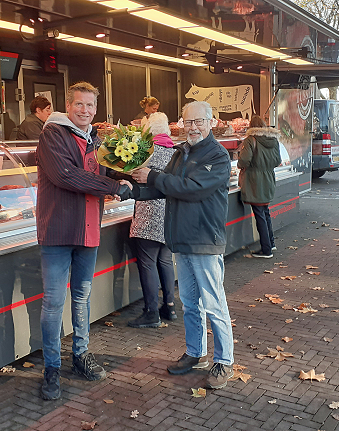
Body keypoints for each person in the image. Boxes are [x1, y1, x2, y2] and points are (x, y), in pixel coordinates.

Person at [36, 82, 132, 400]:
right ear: (68, 105)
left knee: (82, 298)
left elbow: (109, 168)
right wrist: (111, 185)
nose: (85, 111)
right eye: (80, 104)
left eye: (90, 106)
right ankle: (51, 368)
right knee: (53, 304)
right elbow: (66, 175)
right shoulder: (53, 134)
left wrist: (130, 170)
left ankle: (80, 354)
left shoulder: (96, 139)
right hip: (58, 231)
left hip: (90, 230)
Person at [130, 101, 234, 390]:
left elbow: (192, 189)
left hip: (204, 241)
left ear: (211, 122)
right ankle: (196, 353)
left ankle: (224, 362)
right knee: (190, 303)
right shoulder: (181, 152)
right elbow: (167, 187)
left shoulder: (218, 156)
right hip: (181, 240)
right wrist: (132, 188)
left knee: (214, 305)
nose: (193, 127)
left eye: (199, 121)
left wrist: (151, 176)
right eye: (188, 122)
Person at [128, 112, 177, 328]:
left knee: (147, 263)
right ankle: (170, 306)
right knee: (165, 260)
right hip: (169, 214)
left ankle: (151, 312)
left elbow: (130, 174)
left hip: (149, 214)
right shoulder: (175, 152)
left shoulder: (147, 152)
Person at [238, 115, 282, 258]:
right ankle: (271, 243)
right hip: (268, 179)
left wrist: (240, 165)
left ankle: (266, 250)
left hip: (254, 182)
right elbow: (278, 160)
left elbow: (244, 160)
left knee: (260, 215)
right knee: (265, 212)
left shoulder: (250, 140)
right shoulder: (274, 140)